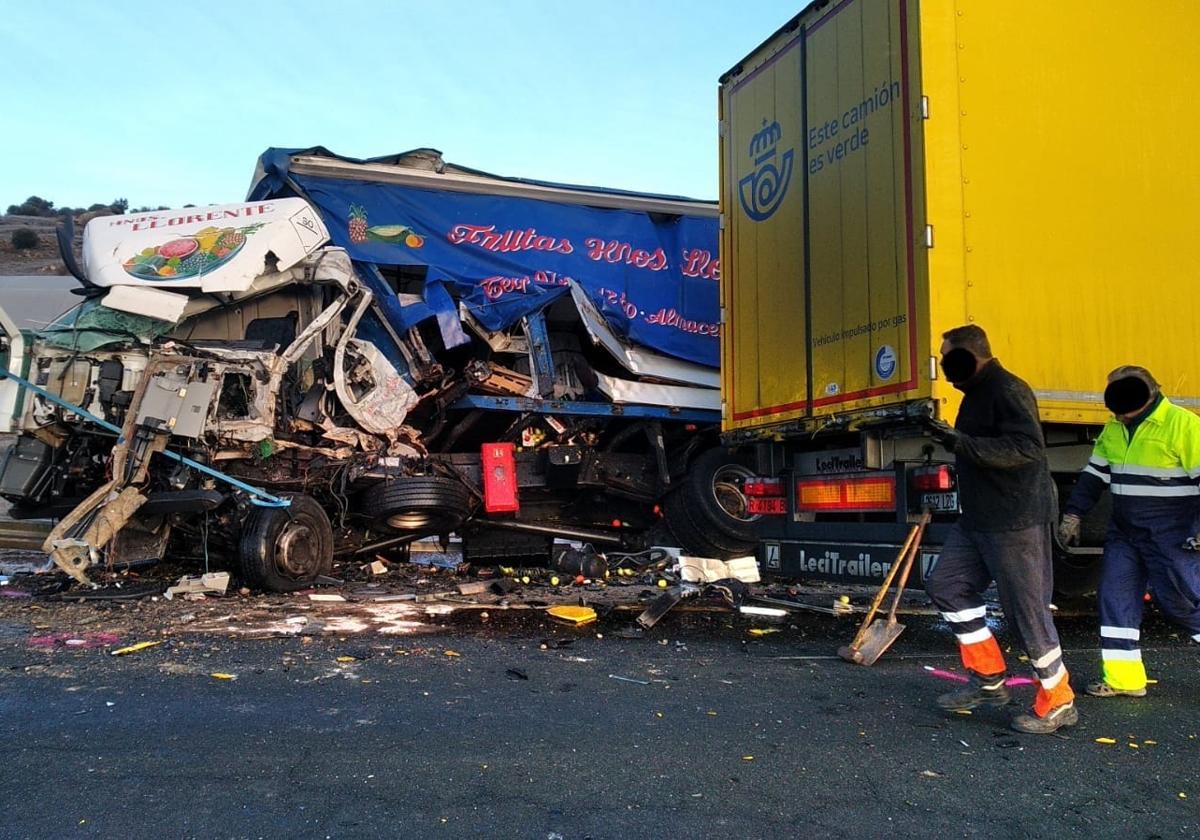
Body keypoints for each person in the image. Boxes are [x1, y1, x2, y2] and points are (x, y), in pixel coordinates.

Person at [924, 325, 1077, 734]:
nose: (946, 367)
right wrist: (953, 440)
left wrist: (961, 442)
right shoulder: (977, 394)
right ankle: (989, 678)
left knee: (1026, 611)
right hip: (979, 519)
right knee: (946, 585)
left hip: (1014, 519)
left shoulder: (1008, 389)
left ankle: (1058, 699)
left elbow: (1027, 449)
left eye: (949, 358)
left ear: (974, 355)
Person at [1058, 365, 1200, 697]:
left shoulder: (1184, 426)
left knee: (1183, 603)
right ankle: (1124, 680)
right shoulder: (1114, 429)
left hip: (1172, 533)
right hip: (1125, 533)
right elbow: (1094, 477)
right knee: (1114, 599)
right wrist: (1073, 514)